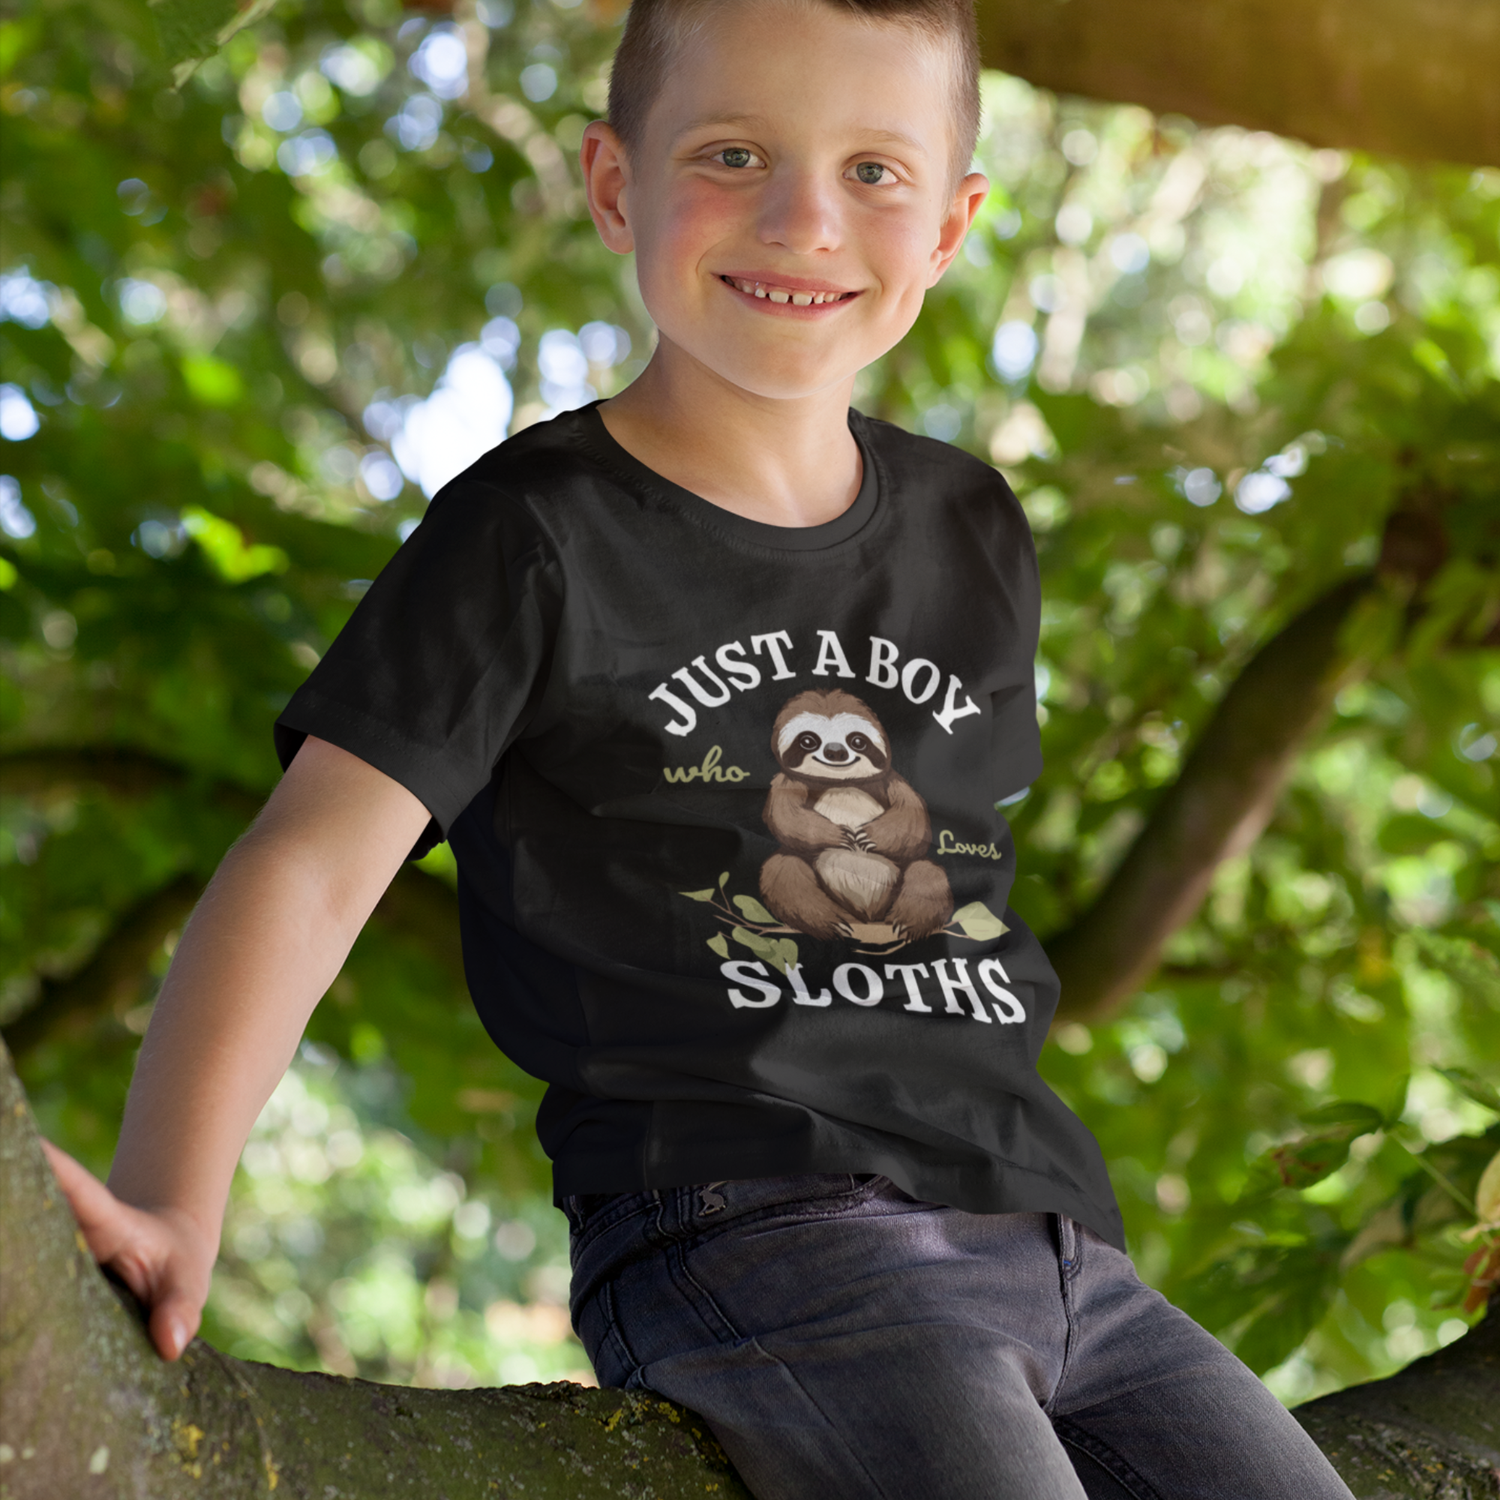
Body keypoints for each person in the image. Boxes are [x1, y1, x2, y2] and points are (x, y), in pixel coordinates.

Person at [45, 0, 1358, 1495]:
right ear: (616, 186)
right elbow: (311, 866)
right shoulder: (532, 536)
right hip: (747, 1219)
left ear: (950, 226)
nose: (804, 221)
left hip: (1053, 1238)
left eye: (874, 170)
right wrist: (169, 1200)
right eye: (734, 154)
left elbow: (956, 877)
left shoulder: (973, 532)